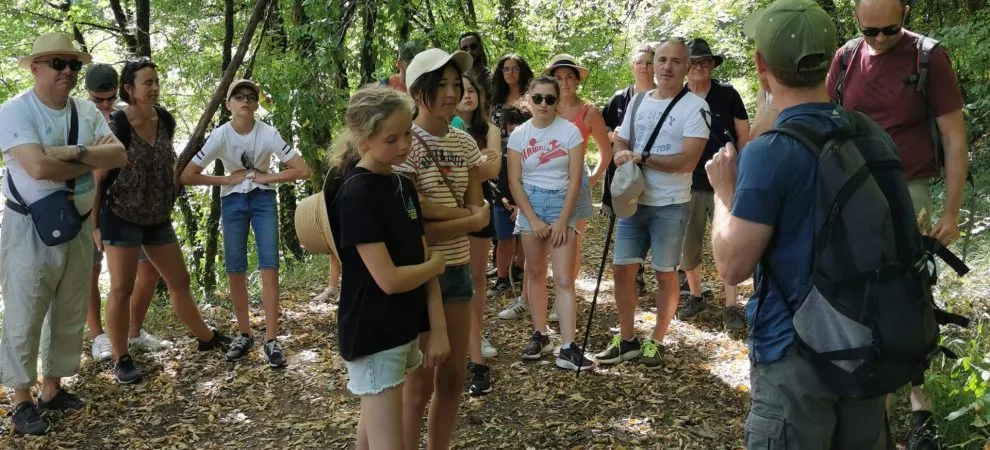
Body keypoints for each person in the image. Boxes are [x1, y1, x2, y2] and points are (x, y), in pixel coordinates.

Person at [711, 0, 891, 446]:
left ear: (761, 65)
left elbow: (732, 266)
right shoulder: (871, 134)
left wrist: (722, 193)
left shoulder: (771, 151)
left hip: (794, 353)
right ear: (831, 60)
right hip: (868, 343)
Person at [826, 0, 969, 445]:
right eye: (871, 31)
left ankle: (920, 409)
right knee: (862, 296)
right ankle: (874, 413)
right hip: (851, 193)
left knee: (911, 293)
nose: (880, 39)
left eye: (890, 29)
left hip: (909, 191)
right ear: (856, 20)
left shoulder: (929, 56)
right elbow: (824, 120)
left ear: (905, 14)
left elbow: (954, 136)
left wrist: (950, 211)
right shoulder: (847, 58)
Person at [0, 32, 127, 435]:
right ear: (35, 67)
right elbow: (37, 169)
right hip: (28, 226)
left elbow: (119, 154)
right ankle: (20, 398)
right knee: (26, 309)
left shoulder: (84, 113)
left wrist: (65, 153)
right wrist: (86, 158)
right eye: (58, 63)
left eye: (74, 65)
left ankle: (51, 389)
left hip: (76, 223)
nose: (68, 71)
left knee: (69, 307)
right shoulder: (16, 112)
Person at [326, 84, 450, 450]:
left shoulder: (401, 184)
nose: (403, 145)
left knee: (371, 434)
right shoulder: (357, 193)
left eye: (408, 133)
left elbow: (419, 252)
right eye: (391, 138)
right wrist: (437, 266)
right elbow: (390, 279)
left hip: (401, 327)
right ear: (363, 141)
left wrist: (437, 327)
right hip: (374, 332)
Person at [98, 57, 231, 385]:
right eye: (147, 83)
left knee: (179, 279)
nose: (154, 88)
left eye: (156, 81)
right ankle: (121, 358)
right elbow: (99, 174)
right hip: (121, 215)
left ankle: (206, 338)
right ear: (129, 88)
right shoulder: (117, 123)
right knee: (121, 287)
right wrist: (94, 225)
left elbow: (169, 166)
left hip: (157, 217)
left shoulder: (166, 120)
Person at [594, 39, 710, 370]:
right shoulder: (640, 101)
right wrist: (621, 153)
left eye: (676, 61)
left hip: (671, 204)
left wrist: (642, 157)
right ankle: (627, 339)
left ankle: (656, 341)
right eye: (662, 60)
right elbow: (623, 139)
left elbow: (688, 161)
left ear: (686, 67)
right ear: (654, 63)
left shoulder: (695, 108)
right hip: (634, 200)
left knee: (665, 274)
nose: (667, 67)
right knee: (622, 270)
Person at [180, 79, 312, 367]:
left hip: (263, 200)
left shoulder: (268, 133)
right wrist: (226, 180)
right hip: (232, 202)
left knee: (269, 265)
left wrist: (267, 177)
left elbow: (304, 170)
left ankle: (272, 339)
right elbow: (187, 175)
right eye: (238, 97)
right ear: (228, 105)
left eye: (250, 96)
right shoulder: (220, 135)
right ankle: (244, 333)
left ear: (256, 103)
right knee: (235, 268)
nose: (245, 101)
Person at [397, 48, 489, 450]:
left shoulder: (465, 143)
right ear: (419, 92)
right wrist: (468, 218)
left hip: (457, 269)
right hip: (419, 273)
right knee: (416, 384)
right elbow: (414, 227)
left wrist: (463, 217)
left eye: (456, 83)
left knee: (452, 377)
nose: (452, 93)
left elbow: (479, 209)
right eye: (442, 85)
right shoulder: (403, 144)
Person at [84, 63, 172, 361]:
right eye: (99, 100)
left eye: (110, 98)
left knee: (149, 271)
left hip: (134, 211)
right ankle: (99, 337)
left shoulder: (127, 116)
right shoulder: (80, 118)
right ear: (88, 96)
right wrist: (93, 223)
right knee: (92, 272)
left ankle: (133, 332)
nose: (105, 105)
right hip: (86, 206)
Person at [508, 76, 595, 371]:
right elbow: (514, 181)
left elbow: (575, 180)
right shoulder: (519, 134)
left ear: (558, 102)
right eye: (538, 98)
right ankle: (540, 333)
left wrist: (562, 220)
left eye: (550, 99)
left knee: (563, 278)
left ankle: (568, 346)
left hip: (561, 203)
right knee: (534, 273)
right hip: (530, 204)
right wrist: (531, 218)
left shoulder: (570, 132)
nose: (543, 104)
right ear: (528, 100)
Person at [676, 38, 751, 331]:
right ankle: (695, 296)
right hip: (688, 182)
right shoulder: (678, 97)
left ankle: (732, 305)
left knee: (728, 243)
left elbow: (743, 135)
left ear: (712, 65)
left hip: (725, 183)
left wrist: (741, 170)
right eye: (693, 62)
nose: (699, 67)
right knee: (688, 246)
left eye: (705, 62)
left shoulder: (727, 95)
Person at [545, 54, 611, 314]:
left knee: (572, 242)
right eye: (559, 78)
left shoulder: (589, 112)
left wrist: (591, 179)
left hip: (576, 181)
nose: (564, 83)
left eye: (569, 77)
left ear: (577, 81)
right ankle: (544, 293)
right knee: (547, 241)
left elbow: (606, 153)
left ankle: (564, 294)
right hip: (548, 182)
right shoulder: (546, 106)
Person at [454, 74, 501, 396]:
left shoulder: (491, 130)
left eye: (472, 90)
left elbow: (492, 170)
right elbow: (480, 166)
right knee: (458, 279)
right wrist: (477, 162)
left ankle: (476, 333)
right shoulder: (444, 129)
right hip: (453, 208)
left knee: (477, 278)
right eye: (461, 90)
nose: (467, 96)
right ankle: (465, 343)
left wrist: (471, 165)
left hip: (480, 207)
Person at [601, 43, 658, 297]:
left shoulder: (664, 96)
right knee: (627, 219)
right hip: (624, 173)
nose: (644, 66)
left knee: (650, 219)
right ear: (632, 66)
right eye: (639, 62)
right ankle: (632, 273)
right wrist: (616, 137)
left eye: (649, 62)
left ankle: (645, 269)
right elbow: (602, 130)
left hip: (655, 172)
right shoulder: (619, 98)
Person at [488, 54, 533, 297]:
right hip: (501, 172)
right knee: (504, 235)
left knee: (525, 235)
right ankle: (502, 275)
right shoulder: (495, 102)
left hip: (528, 167)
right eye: (506, 69)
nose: (510, 73)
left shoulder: (533, 98)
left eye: (516, 68)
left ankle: (519, 269)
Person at [495, 104, 535, 321]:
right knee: (504, 241)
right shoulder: (503, 147)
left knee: (525, 245)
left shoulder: (534, 149)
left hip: (527, 204)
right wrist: (507, 203)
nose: (515, 130)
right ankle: (502, 278)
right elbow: (501, 180)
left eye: (519, 125)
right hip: (503, 203)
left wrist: (521, 206)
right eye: (511, 126)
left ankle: (520, 276)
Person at [458, 32, 492, 100]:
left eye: (473, 46)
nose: (469, 51)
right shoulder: (458, 80)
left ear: (481, 47)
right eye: (465, 49)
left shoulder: (493, 79)